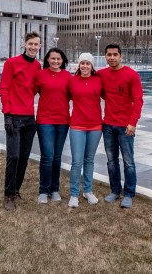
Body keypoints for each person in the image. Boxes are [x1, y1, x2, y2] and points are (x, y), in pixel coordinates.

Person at [0, 31, 42, 211]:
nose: (33, 47)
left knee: (24, 157)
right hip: (14, 118)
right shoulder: (12, 63)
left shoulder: (38, 66)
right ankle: (8, 195)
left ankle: (16, 190)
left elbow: (36, 89)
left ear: (39, 47)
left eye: (36, 44)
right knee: (13, 156)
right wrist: (7, 114)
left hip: (29, 119)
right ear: (25, 44)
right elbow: (4, 88)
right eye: (30, 43)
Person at [98, 44, 143, 209]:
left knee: (128, 161)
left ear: (121, 56)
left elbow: (138, 101)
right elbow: (84, 75)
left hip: (125, 126)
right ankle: (115, 190)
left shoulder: (131, 75)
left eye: (115, 54)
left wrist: (132, 122)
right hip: (108, 125)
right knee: (111, 161)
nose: (112, 57)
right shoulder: (102, 74)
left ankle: (129, 193)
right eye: (109, 55)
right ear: (105, 56)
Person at [33, 48, 70, 204]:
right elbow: (31, 92)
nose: (55, 61)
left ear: (63, 61)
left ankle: (54, 189)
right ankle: (43, 190)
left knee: (56, 157)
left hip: (62, 121)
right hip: (45, 121)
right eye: (53, 58)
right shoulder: (40, 75)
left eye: (58, 59)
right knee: (47, 156)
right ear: (47, 59)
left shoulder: (68, 76)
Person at [67, 52, 103, 208]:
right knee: (77, 162)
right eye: (82, 63)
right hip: (77, 126)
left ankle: (87, 191)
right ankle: (74, 194)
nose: (85, 66)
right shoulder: (72, 81)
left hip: (95, 126)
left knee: (89, 160)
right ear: (78, 65)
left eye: (88, 63)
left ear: (92, 65)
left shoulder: (98, 80)